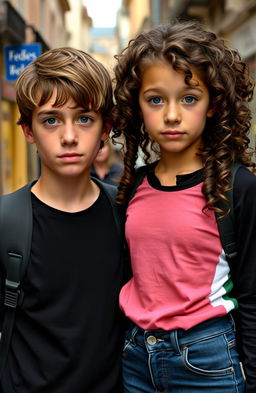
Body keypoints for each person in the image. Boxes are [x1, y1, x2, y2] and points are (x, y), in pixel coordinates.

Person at [112, 20, 256, 393]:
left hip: (209, 359)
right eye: (155, 99)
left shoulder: (236, 187)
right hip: (135, 358)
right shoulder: (132, 187)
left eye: (189, 98)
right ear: (137, 105)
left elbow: (253, 293)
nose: (172, 114)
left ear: (212, 105)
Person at [0, 47, 125, 393]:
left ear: (105, 128)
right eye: (51, 120)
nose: (69, 137)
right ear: (28, 131)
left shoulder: (127, 213)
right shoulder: (6, 223)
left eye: (84, 118)